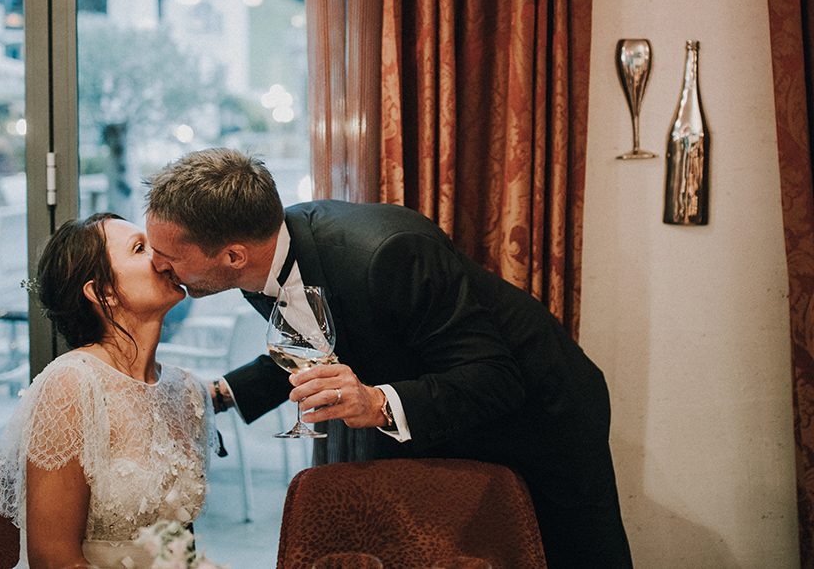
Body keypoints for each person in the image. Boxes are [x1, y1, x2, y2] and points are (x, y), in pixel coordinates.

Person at [144, 148, 633, 569]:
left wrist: (376, 403)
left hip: (542, 409)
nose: (158, 265)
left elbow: (493, 376)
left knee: (564, 553)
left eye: (168, 255)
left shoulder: (387, 253)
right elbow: (317, 340)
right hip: (444, 408)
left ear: (232, 256)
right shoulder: (259, 255)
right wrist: (220, 396)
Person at [0, 212, 216, 569]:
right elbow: (54, 560)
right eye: (140, 248)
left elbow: (181, 543)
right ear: (103, 292)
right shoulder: (72, 386)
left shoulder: (186, 391)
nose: (161, 258)